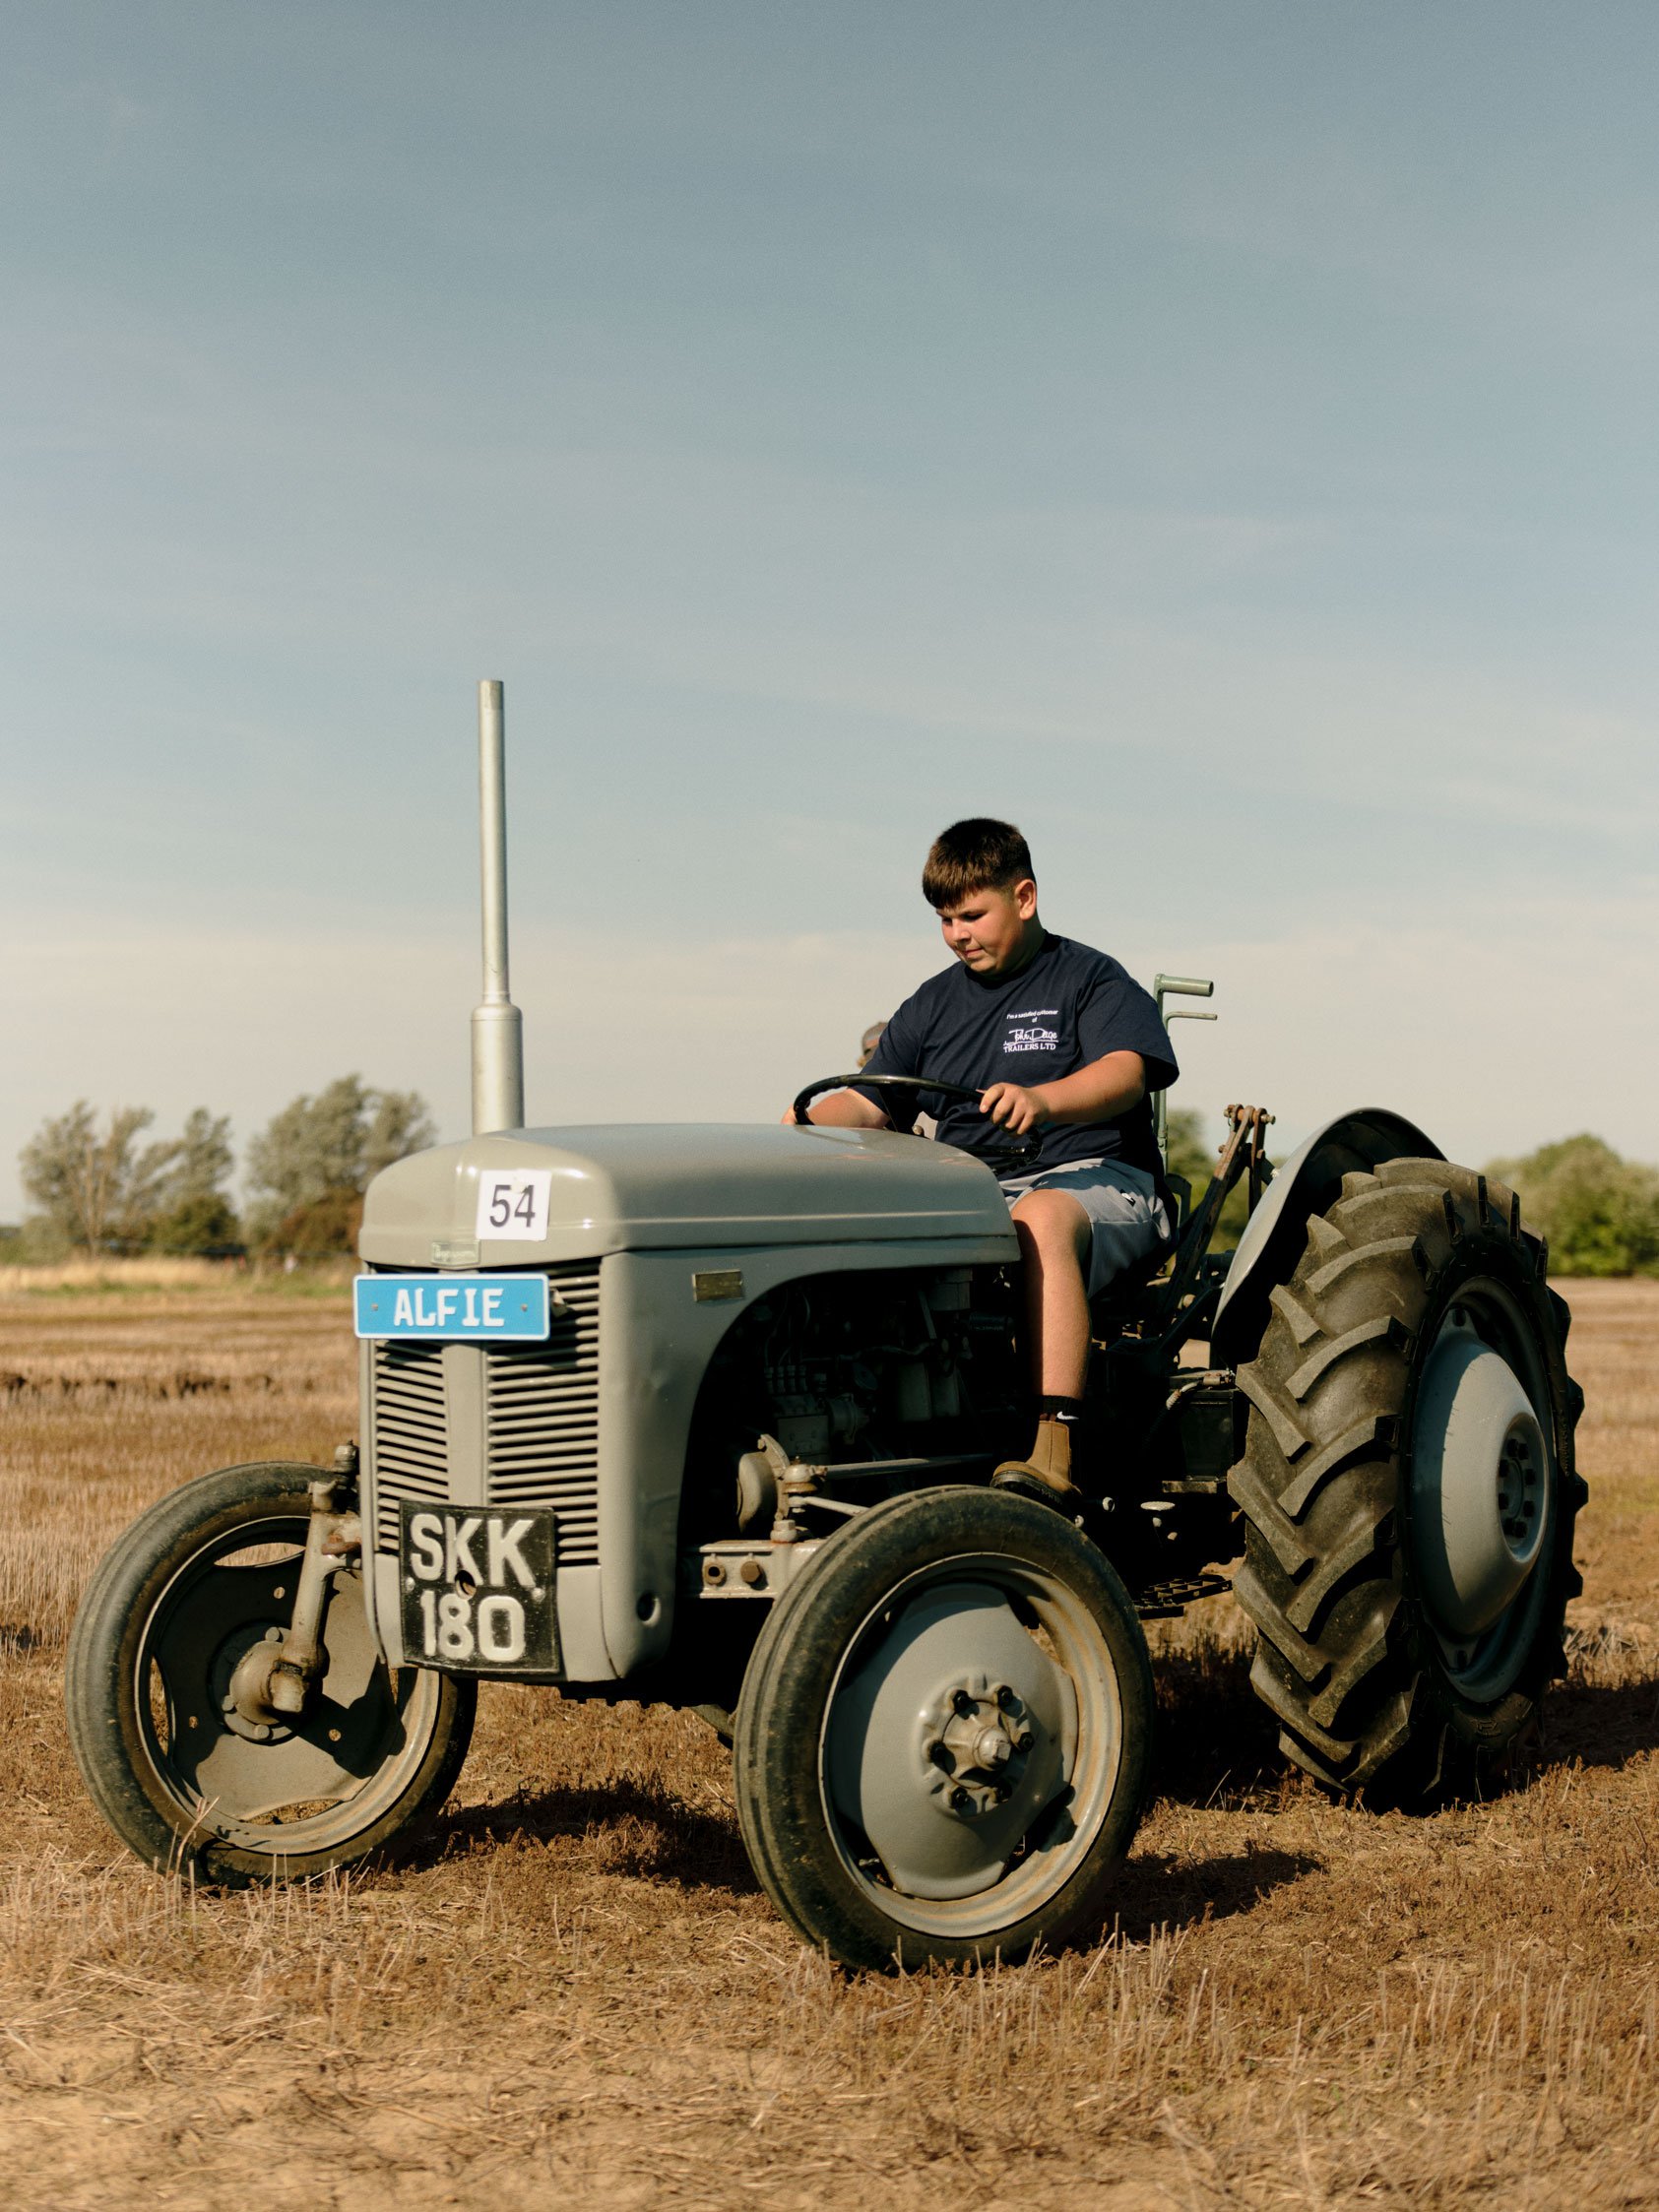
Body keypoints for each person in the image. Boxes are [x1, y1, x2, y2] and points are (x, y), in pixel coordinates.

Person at [791, 817, 1177, 1506]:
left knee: (1040, 1216)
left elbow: (1126, 1070)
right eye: (944, 920)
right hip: (976, 1191)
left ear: (1023, 897)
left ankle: (1051, 1445)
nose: (957, 933)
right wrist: (799, 1124)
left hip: (1095, 1182)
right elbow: (873, 1102)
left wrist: (1045, 1098)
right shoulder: (932, 1003)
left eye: (972, 914)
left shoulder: (1088, 977)